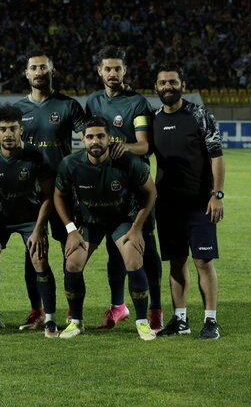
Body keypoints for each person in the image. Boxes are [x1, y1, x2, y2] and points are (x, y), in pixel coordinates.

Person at [53, 116, 157, 341]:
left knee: (133, 259)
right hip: (90, 221)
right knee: (72, 262)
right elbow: (58, 196)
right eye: (90, 136)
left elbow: (151, 192)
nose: (95, 141)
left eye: (101, 136)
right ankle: (76, 322)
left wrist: (137, 227)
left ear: (110, 138)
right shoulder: (70, 164)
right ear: (83, 139)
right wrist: (71, 230)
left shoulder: (129, 162)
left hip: (122, 221)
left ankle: (142, 322)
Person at [85, 45, 163, 332]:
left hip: (135, 187)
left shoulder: (137, 103)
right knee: (112, 247)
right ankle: (118, 307)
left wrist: (124, 147)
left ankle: (155, 310)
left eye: (117, 68)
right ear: (99, 71)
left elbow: (145, 145)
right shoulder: (93, 102)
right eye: (107, 68)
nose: (113, 73)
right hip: (106, 187)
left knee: (145, 246)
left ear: (124, 71)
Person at [14, 50, 87, 330]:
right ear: (26, 73)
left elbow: (89, 140)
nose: (39, 72)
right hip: (28, 194)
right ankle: (37, 310)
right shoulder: (18, 110)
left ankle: (73, 310)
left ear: (52, 71)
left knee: (70, 251)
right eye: (34, 68)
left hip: (62, 193)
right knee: (32, 252)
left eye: (43, 67)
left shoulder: (69, 106)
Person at [152, 64, 223, 340]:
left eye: (173, 82)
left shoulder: (199, 115)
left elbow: (216, 156)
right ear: (156, 87)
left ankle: (210, 320)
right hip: (167, 205)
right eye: (163, 83)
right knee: (176, 262)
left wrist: (217, 194)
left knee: (203, 261)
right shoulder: (154, 119)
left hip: (199, 203)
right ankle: (180, 320)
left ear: (182, 85)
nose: (168, 87)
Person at [0, 106, 58, 337]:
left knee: (39, 260)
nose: (8, 134)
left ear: (22, 129)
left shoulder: (37, 156)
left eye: (13, 128)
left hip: (30, 219)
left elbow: (48, 196)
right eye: (3, 129)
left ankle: (50, 320)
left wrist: (39, 230)